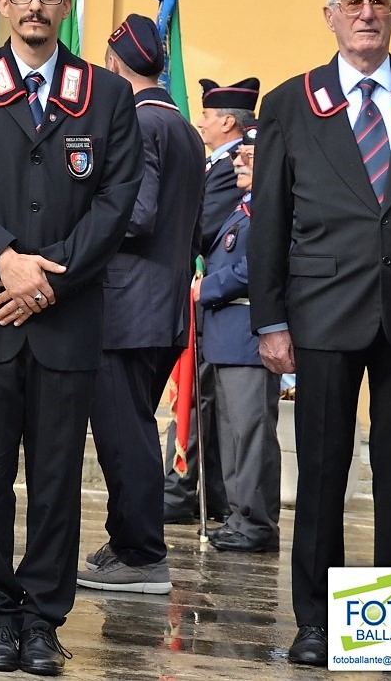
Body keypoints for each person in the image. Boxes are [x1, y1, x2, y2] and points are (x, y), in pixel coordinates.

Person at [0, 0, 141, 676]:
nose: (35, 7)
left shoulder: (107, 94)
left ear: (65, 6)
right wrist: (5, 261)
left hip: (65, 316)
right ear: (3, 4)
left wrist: (47, 280)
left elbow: (116, 201)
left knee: (56, 479)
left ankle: (43, 618)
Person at [248, 0, 391, 669]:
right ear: (329, 17)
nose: (366, 14)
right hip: (322, 312)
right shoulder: (291, 102)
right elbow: (269, 218)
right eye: (352, 4)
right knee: (323, 473)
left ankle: (387, 631)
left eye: (378, 3)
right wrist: (270, 320)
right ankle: (318, 623)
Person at [78, 14, 203, 596]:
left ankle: (141, 554)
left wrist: (78, 221)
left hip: (126, 307)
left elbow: (137, 213)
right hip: (163, 304)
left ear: (113, 63)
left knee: (122, 434)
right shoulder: (183, 127)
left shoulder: (138, 120)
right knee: (132, 429)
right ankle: (128, 538)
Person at [163, 76, 258, 522]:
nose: (199, 122)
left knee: (208, 404)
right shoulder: (216, 165)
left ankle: (184, 491)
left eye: (205, 114)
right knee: (202, 402)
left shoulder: (231, 170)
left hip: (218, 300)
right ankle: (199, 494)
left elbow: (202, 228)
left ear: (227, 121)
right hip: (207, 298)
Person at [198, 122, 280, 553]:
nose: (238, 161)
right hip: (226, 336)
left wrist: (206, 288)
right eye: (238, 155)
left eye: (249, 156)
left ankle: (255, 522)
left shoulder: (272, 207)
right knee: (233, 437)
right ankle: (238, 516)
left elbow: (258, 266)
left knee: (251, 437)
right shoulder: (245, 207)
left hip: (248, 334)